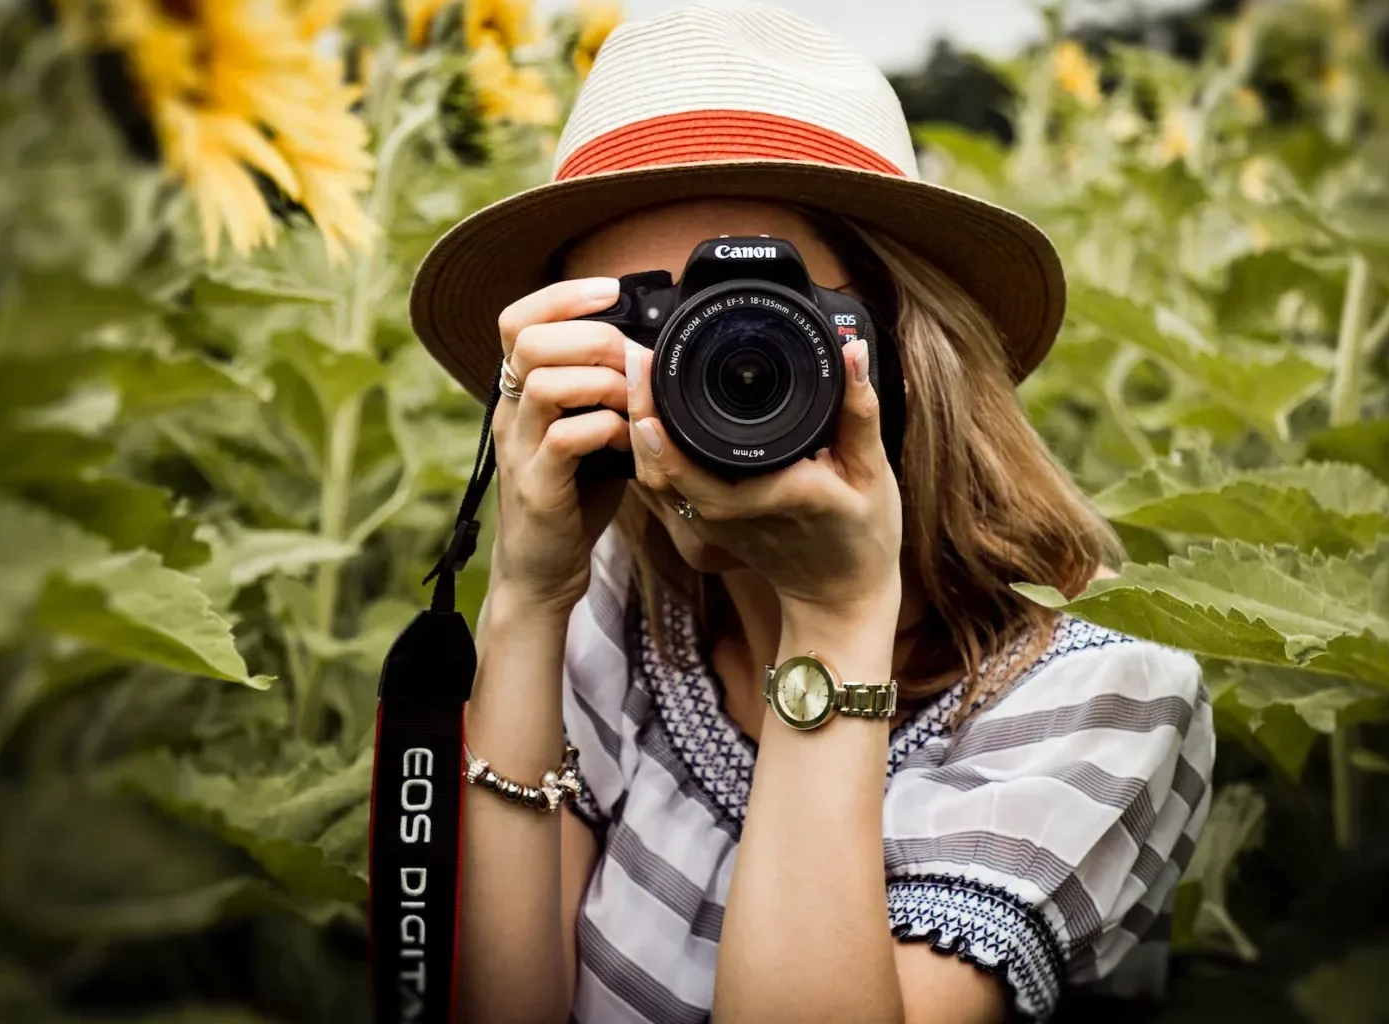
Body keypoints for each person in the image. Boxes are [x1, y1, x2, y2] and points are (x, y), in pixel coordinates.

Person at [407, 4, 1213, 1022]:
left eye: (763, 319)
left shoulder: (1102, 705)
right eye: (647, 321)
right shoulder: (617, 609)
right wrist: (525, 598)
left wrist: (835, 618)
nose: (702, 372)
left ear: (905, 352)